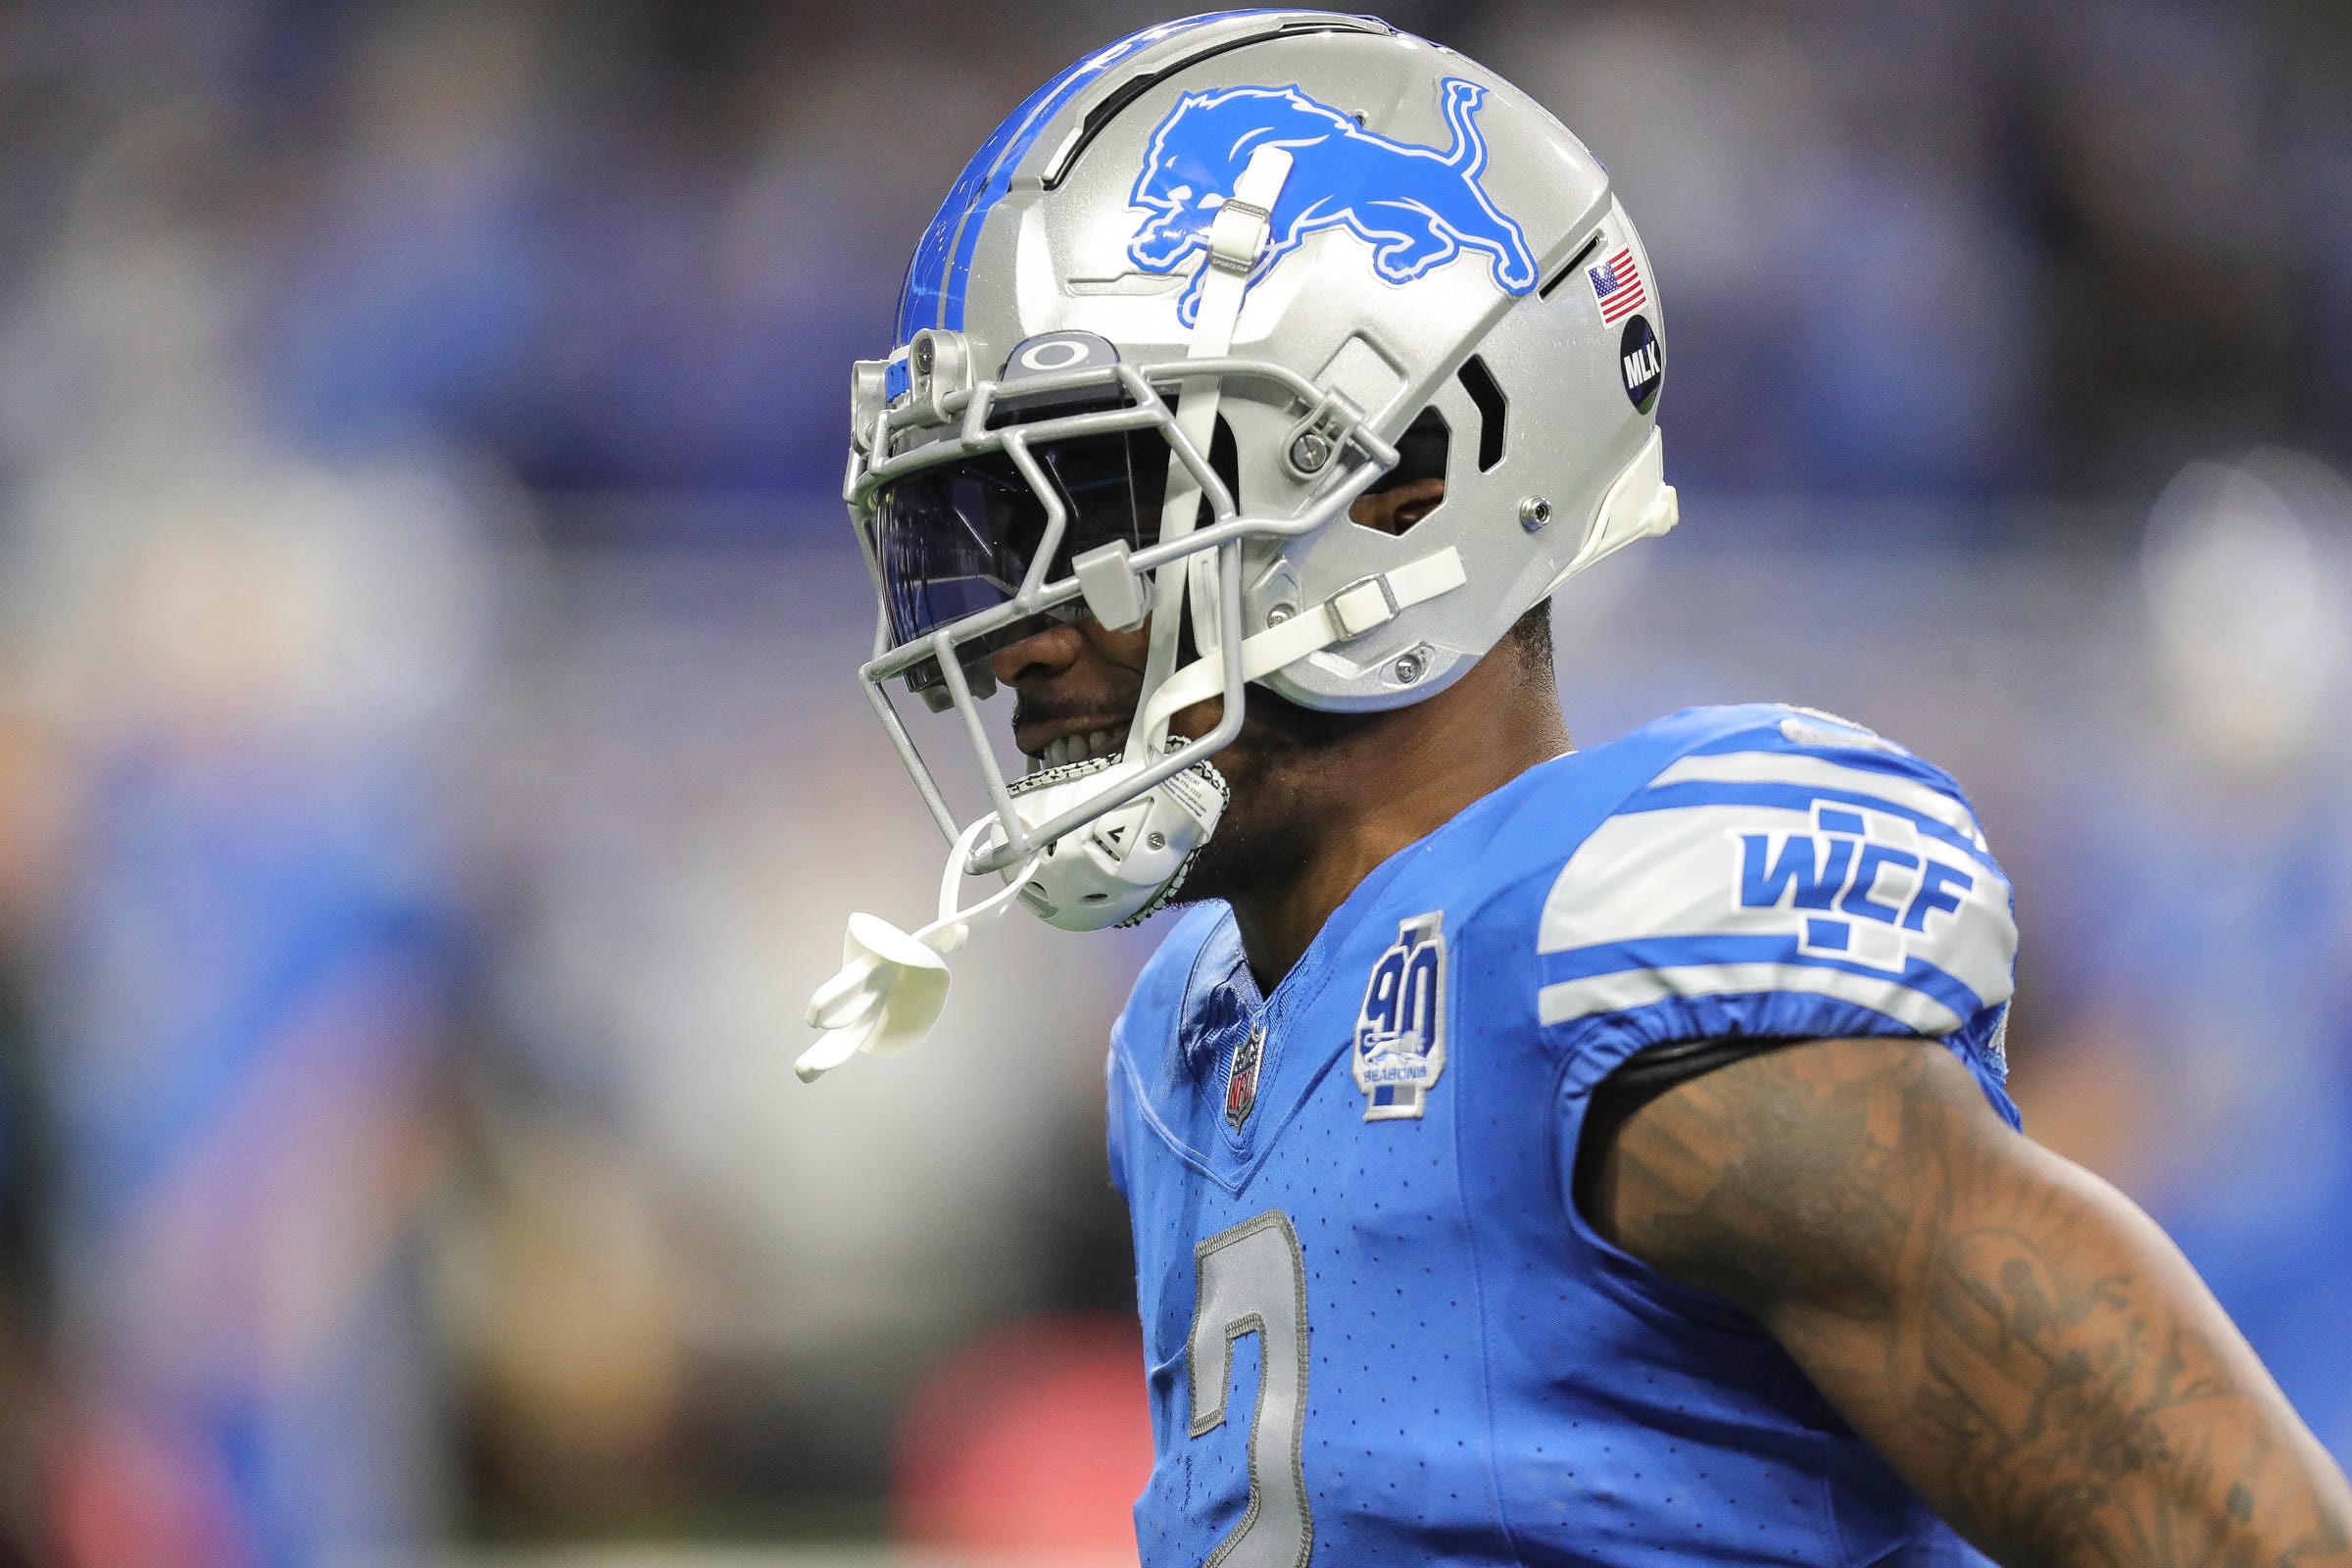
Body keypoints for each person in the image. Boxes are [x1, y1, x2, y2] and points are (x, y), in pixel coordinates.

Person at [800, 12, 2352, 1564]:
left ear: (1412, 476)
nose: (1017, 634)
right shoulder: (1191, 1036)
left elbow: (2245, 1540)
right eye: (982, 529)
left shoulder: (1616, 964)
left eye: (1091, 507)